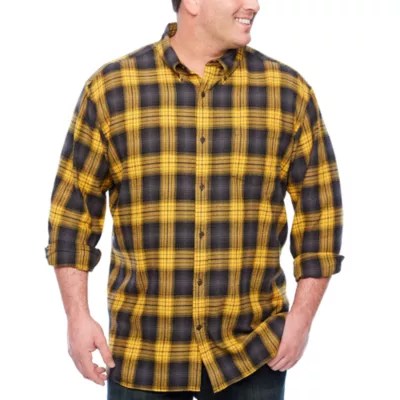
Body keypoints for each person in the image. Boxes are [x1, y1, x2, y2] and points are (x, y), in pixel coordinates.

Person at [44, 0, 345, 399]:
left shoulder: (287, 93)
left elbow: (321, 212)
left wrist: (302, 319)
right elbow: (72, 216)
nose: (254, 5)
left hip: (253, 357)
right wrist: (77, 317)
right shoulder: (112, 89)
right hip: (144, 356)